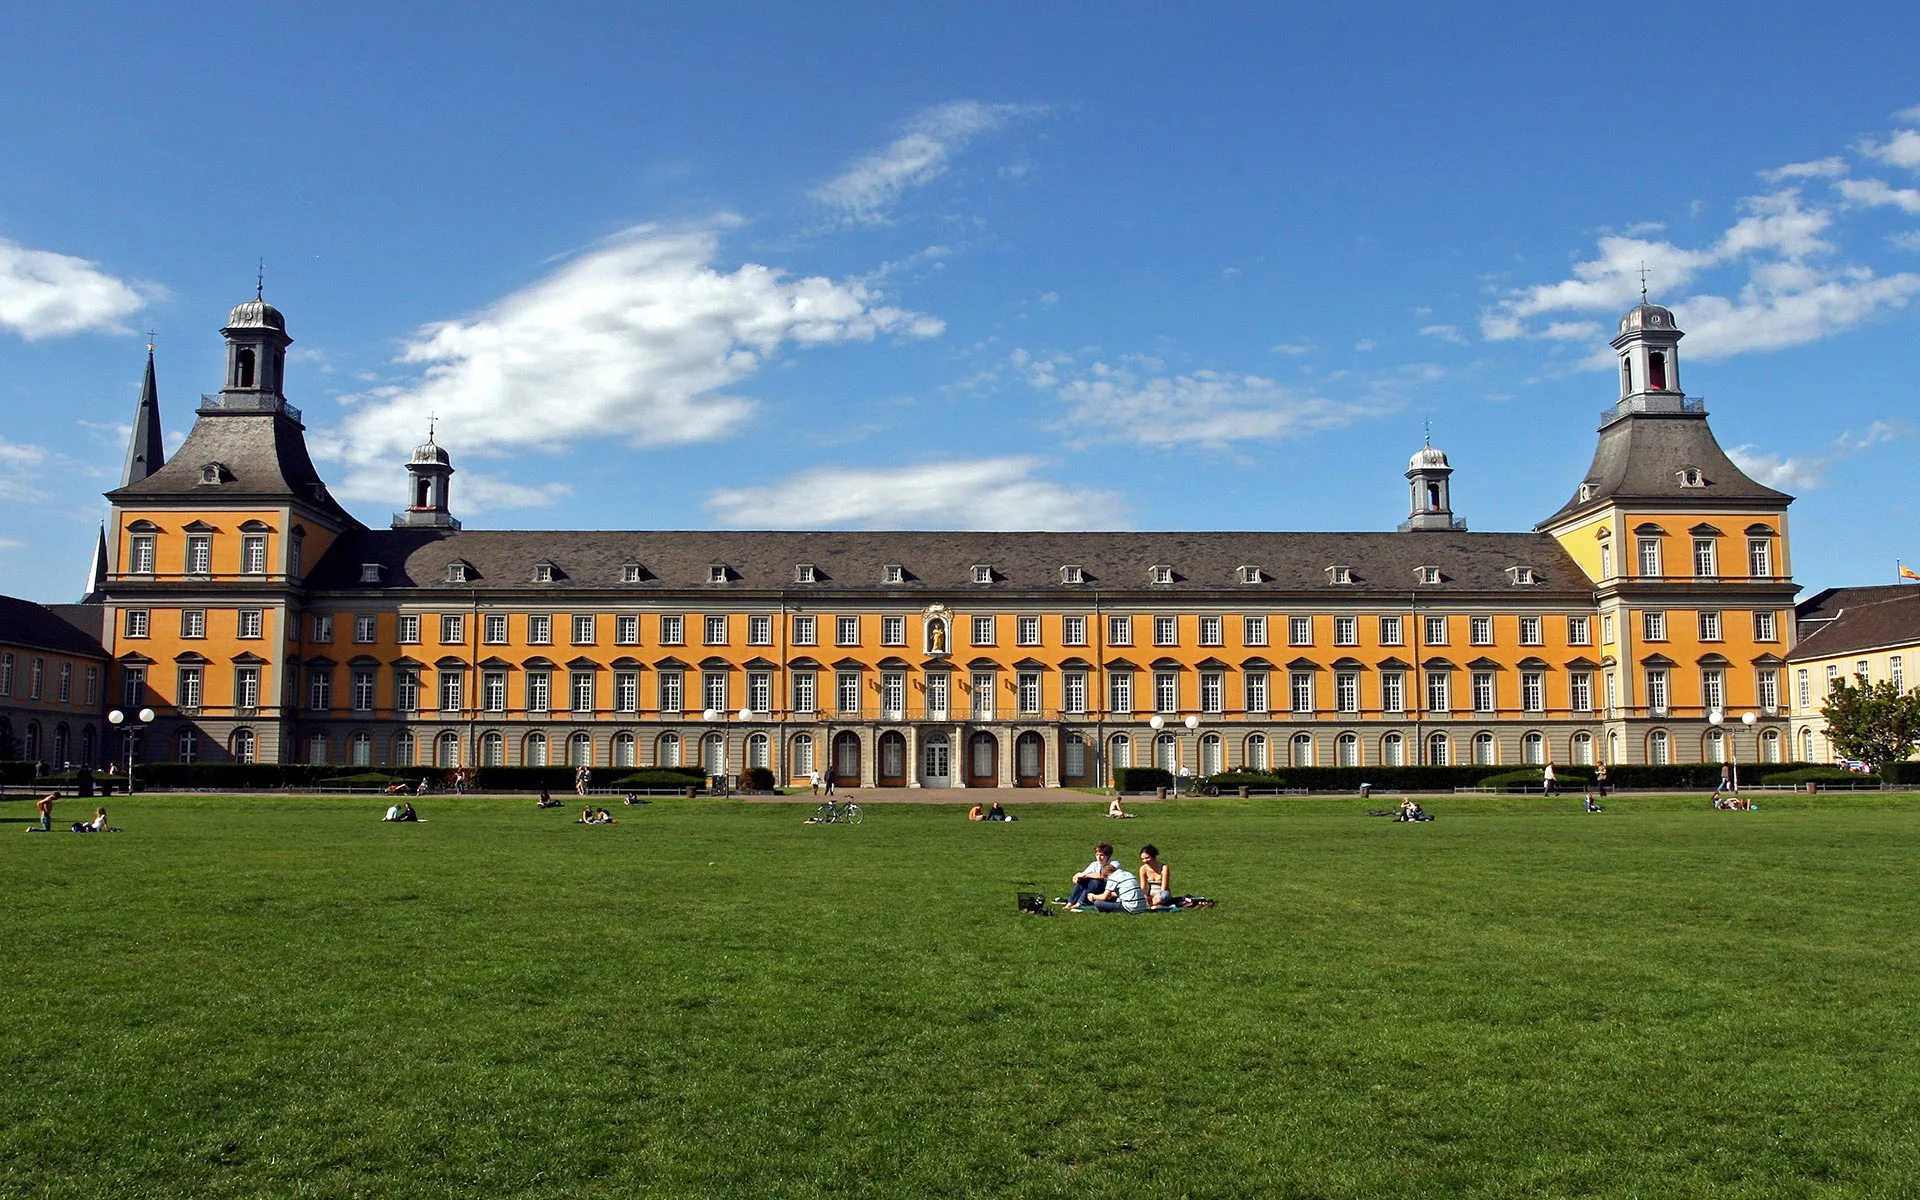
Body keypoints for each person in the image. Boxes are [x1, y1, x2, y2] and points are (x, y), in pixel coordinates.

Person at [1075, 865, 1148, 913]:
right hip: (1143, 906)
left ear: (1105, 875)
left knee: (1098, 903)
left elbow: (1104, 896)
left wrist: (1093, 896)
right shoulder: (1128, 874)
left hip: (1131, 908)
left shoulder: (1112, 878)